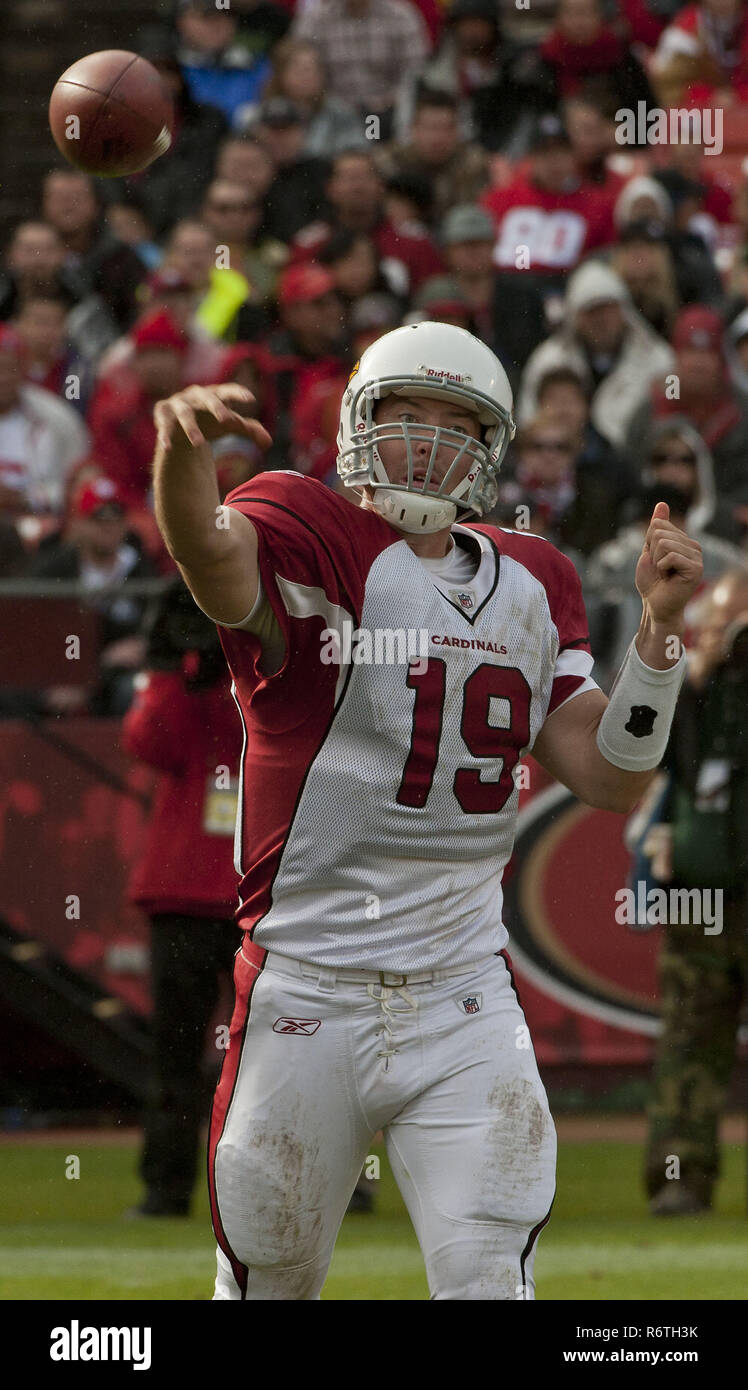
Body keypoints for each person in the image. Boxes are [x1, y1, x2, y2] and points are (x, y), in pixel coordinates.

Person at [151, 320, 703, 1299]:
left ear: (490, 447)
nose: (429, 441)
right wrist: (179, 460)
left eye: (456, 422)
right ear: (359, 422)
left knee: (490, 1276)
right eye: (407, 414)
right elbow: (207, 549)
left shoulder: (533, 579)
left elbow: (611, 774)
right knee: (267, 1279)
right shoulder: (306, 527)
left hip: (461, 994)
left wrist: (658, 640)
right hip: (305, 989)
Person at [123, 579, 244, 1216]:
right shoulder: (188, 688)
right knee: (174, 1054)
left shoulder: (261, 680)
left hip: (252, 894)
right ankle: (164, 1190)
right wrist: (167, 665)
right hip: (198, 898)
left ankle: (327, 1185)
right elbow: (147, 740)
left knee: (294, 1052)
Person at [642, 568, 748, 1214]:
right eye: (722, 624)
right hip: (701, 900)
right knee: (688, 1043)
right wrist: (700, 670)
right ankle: (680, 1179)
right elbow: (649, 751)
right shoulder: (695, 698)